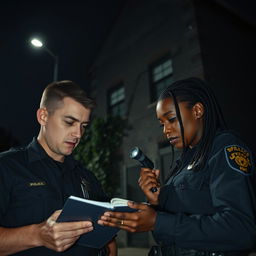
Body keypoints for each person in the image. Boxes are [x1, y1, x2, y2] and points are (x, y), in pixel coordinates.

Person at [98, 77, 256, 256]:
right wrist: (156, 202)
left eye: (171, 119)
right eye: (162, 124)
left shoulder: (225, 148)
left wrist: (158, 221)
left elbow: (241, 230)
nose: (166, 130)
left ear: (197, 110)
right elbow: (176, 228)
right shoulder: (184, 161)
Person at [0, 80, 117, 256]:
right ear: (43, 116)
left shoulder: (87, 177)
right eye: (70, 122)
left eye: (83, 126)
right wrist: (38, 235)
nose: (78, 134)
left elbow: (109, 242)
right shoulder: (7, 167)